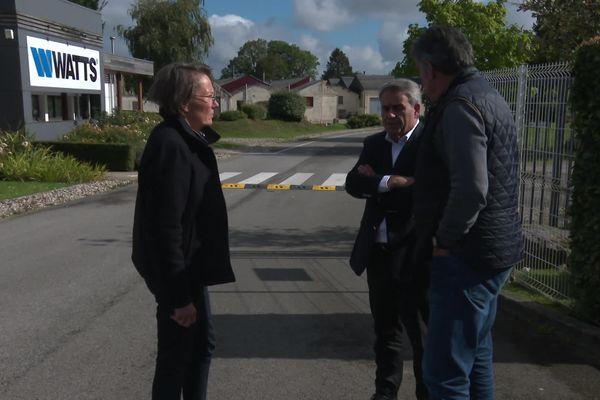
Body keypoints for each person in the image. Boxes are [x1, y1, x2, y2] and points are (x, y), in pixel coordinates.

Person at [411, 26, 524, 400]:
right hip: (494, 248)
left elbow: (472, 188)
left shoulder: (460, 106)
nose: (422, 85)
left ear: (431, 68)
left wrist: (445, 240)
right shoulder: (489, 96)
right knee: (475, 359)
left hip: (465, 256)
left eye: (421, 73)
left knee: (444, 373)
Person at [132, 62, 235, 400]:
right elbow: (164, 229)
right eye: (210, 96)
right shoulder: (171, 145)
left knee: (198, 349)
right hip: (179, 277)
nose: (216, 103)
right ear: (183, 104)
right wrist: (178, 299)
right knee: (177, 359)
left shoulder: (184, 140)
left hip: (190, 271)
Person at [346, 79, 429, 400]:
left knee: (421, 335)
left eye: (399, 108)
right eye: (386, 108)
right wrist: (389, 182)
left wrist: (384, 182)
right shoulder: (374, 144)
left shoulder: (428, 142)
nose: (391, 115)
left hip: (415, 253)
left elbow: (429, 189)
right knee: (385, 331)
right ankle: (385, 392)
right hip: (378, 253)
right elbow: (354, 183)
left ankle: (426, 392)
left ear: (416, 109)